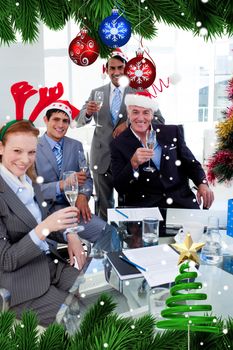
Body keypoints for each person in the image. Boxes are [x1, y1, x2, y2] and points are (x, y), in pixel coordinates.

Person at [0, 119, 83, 326]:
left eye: (31, 152)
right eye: (17, 151)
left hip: (50, 265)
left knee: (100, 298)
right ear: (1, 148)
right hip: (21, 283)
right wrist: (45, 227)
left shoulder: (29, 180)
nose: (25, 159)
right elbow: (7, 260)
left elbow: (44, 221)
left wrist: (68, 234)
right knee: (81, 318)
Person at [77, 49, 164, 221]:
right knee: (104, 204)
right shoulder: (96, 92)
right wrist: (87, 112)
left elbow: (159, 120)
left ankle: (127, 237)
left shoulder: (138, 90)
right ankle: (106, 238)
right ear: (106, 69)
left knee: (128, 203)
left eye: (120, 67)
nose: (116, 72)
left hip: (128, 157)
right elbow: (79, 120)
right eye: (112, 68)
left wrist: (129, 123)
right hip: (101, 156)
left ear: (127, 68)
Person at [35, 100, 118, 252]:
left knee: (109, 233)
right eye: (56, 119)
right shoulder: (32, 147)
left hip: (71, 211)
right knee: (45, 255)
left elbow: (86, 178)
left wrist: (82, 196)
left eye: (65, 121)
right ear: (46, 120)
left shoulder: (75, 146)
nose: (61, 125)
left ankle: (92, 272)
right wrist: (61, 185)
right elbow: (31, 190)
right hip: (41, 214)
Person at [110, 91, 214, 209]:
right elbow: (120, 186)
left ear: (152, 114)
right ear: (128, 114)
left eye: (146, 112)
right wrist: (133, 164)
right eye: (135, 112)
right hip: (144, 207)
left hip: (180, 202)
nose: (140, 118)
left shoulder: (172, 132)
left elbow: (191, 164)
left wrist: (202, 184)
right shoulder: (118, 144)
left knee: (197, 227)